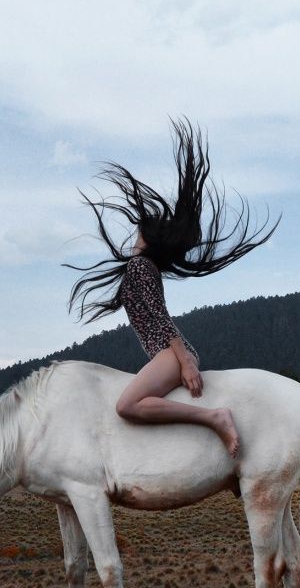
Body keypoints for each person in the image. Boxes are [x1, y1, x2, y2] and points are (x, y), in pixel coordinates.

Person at [65, 117, 281, 459]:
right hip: (167, 353)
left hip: (170, 353)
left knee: (127, 405)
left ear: (148, 240)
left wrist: (185, 364)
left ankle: (215, 417)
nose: (135, 232)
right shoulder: (142, 267)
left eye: (140, 230)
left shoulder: (139, 266)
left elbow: (161, 318)